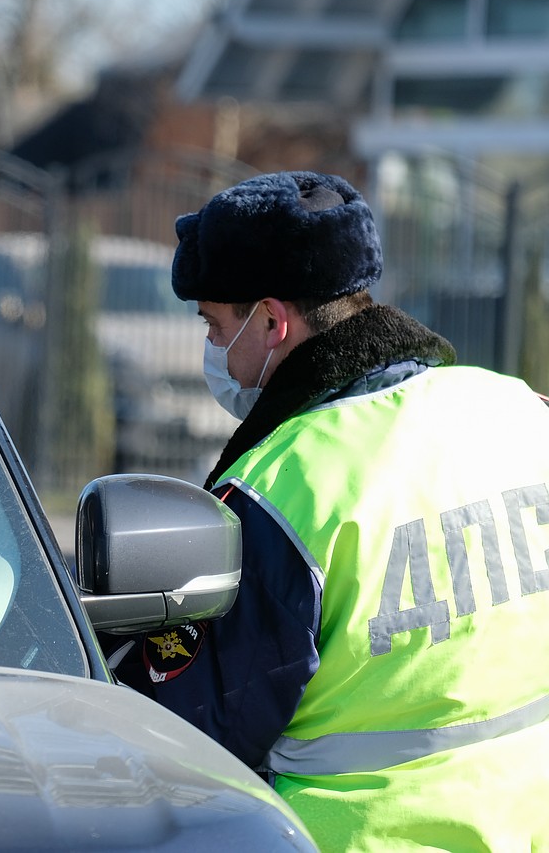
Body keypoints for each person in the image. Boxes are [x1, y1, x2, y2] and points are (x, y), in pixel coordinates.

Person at [106, 171, 549, 850]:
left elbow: (176, 738)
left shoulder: (282, 491)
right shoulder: (517, 411)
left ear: (273, 322)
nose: (212, 349)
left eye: (215, 325)